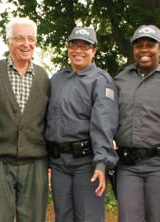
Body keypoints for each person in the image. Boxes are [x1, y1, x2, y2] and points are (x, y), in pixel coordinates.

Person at [45, 26, 119, 222]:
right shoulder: (57, 79)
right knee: (63, 217)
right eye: (74, 45)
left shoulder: (101, 81)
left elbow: (104, 125)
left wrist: (102, 164)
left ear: (94, 50)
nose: (78, 50)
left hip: (86, 163)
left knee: (88, 218)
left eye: (85, 46)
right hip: (59, 163)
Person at [0, 18, 50, 222]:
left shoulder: (43, 76)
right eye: (19, 38)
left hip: (35, 162)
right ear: (8, 41)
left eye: (31, 38)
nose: (26, 44)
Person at [114, 25, 160, 222]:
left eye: (150, 45)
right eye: (138, 45)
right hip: (128, 165)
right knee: (128, 218)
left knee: (158, 218)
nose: (144, 50)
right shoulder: (121, 79)